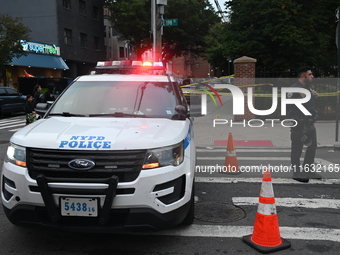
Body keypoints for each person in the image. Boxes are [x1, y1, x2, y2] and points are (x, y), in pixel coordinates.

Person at [288, 66, 321, 183]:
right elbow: (287, 105)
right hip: (299, 123)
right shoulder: (294, 89)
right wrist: (298, 97)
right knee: (297, 147)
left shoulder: (308, 88)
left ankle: (308, 169)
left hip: (310, 123)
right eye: (310, 74)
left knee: (312, 146)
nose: (312, 76)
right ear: (303, 76)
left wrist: (313, 96)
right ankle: (296, 172)